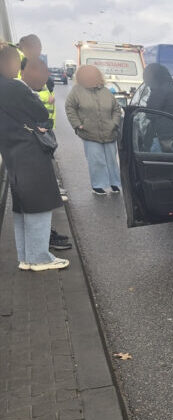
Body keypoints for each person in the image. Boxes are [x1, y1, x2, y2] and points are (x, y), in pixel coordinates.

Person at [0, 52, 69, 271]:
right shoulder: (13, 87)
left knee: (22, 207)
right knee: (40, 205)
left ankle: (26, 257)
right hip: (29, 151)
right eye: (14, 63)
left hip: (11, 151)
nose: (17, 68)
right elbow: (40, 111)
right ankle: (40, 257)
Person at [65, 65, 123, 196]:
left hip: (109, 132)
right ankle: (98, 185)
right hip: (89, 133)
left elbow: (116, 109)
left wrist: (114, 123)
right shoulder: (76, 91)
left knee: (112, 160)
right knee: (96, 160)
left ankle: (115, 183)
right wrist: (77, 124)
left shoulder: (106, 91)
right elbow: (70, 108)